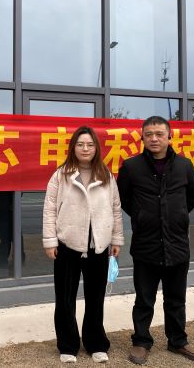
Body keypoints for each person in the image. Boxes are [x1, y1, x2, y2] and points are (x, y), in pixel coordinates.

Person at [116, 116, 194, 365]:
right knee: (144, 299)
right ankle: (141, 341)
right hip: (146, 244)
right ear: (142, 137)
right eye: (149, 134)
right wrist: (144, 216)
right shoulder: (131, 167)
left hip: (177, 244)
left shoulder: (185, 165)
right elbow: (124, 199)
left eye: (159, 134)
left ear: (169, 137)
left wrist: (175, 216)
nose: (154, 139)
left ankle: (177, 340)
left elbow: (192, 198)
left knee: (176, 298)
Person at [43, 126, 124, 364]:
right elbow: (49, 209)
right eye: (80, 144)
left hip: (98, 245)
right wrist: (50, 241)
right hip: (67, 245)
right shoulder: (61, 175)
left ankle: (96, 343)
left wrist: (116, 239)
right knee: (65, 298)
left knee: (95, 298)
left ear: (96, 148)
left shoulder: (106, 175)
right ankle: (67, 345)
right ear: (73, 148)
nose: (85, 148)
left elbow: (115, 209)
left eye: (89, 144)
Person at [0, 191, 25, 268]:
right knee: (16, 232)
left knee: (4, 233)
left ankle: (2, 259)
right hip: (13, 201)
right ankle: (19, 257)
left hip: (3, 203)